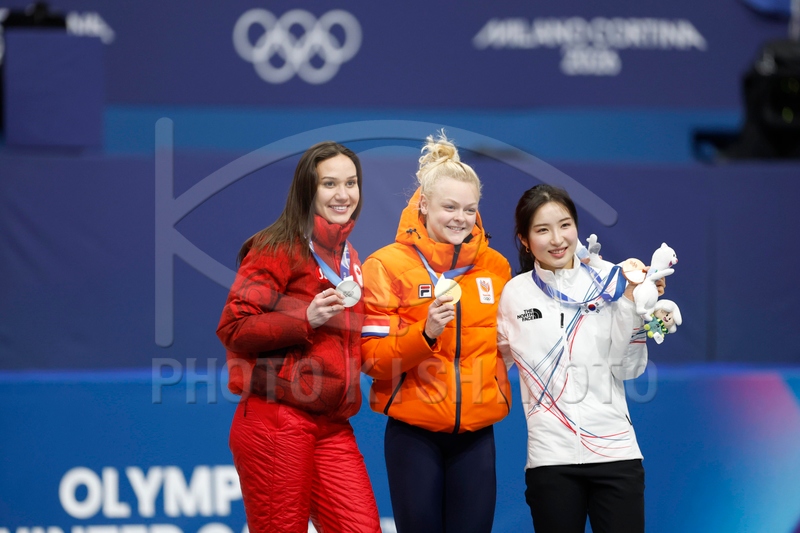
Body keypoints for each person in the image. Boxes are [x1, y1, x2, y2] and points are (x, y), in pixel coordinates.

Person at [216, 141, 381, 533]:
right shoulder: (275, 246)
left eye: (351, 183)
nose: (343, 194)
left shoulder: (350, 258)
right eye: (329, 184)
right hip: (277, 419)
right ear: (308, 189)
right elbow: (233, 327)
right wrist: (303, 318)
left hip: (332, 425)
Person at [360, 132, 512, 533]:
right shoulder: (385, 266)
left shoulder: (496, 268)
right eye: (449, 207)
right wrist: (425, 334)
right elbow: (372, 361)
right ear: (424, 204)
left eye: (469, 209)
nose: (460, 218)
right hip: (414, 435)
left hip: (477, 434)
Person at [497, 184, 659, 533]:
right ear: (524, 240)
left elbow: (629, 368)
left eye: (565, 225)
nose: (557, 239)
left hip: (616, 453)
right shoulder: (513, 295)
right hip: (550, 459)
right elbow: (490, 362)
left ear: (576, 227)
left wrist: (634, 305)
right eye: (542, 230)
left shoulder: (611, 281)